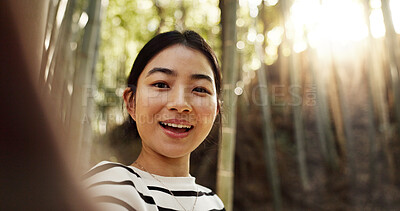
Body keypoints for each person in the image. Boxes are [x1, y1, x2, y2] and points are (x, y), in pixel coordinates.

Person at [83, 30, 225, 211]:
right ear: (131, 102)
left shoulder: (214, 203)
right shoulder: (111, 186)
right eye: (161, 85)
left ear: (216, 110)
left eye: (199, 89)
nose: (180, 104)